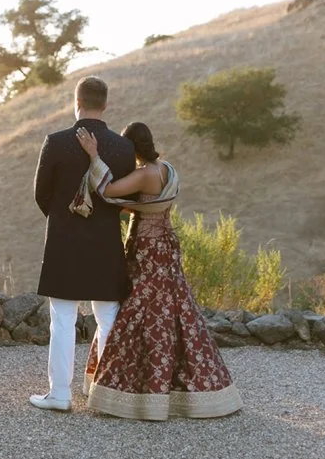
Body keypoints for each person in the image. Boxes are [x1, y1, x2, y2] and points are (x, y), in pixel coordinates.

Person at [73, 122, 243, 419]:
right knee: (177, 309)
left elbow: (107, 190)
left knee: (139, 310)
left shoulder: (143, 174)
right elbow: (148, 204)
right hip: (167, 245)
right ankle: (195, 388)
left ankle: (132, 389)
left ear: (131, 147)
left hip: (147, 249)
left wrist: (94, 155)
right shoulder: (167, 169)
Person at [29, 76, 136, 412]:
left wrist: (64, 221)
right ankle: (105, 396)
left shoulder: (56, 141)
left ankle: (60, 394)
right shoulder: (123, 147)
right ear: (105, 104)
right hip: (105, 242)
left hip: (65, 242)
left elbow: (41, 194)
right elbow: (127, 196)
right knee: (108, 317)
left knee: (62, 318)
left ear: (76, 102)